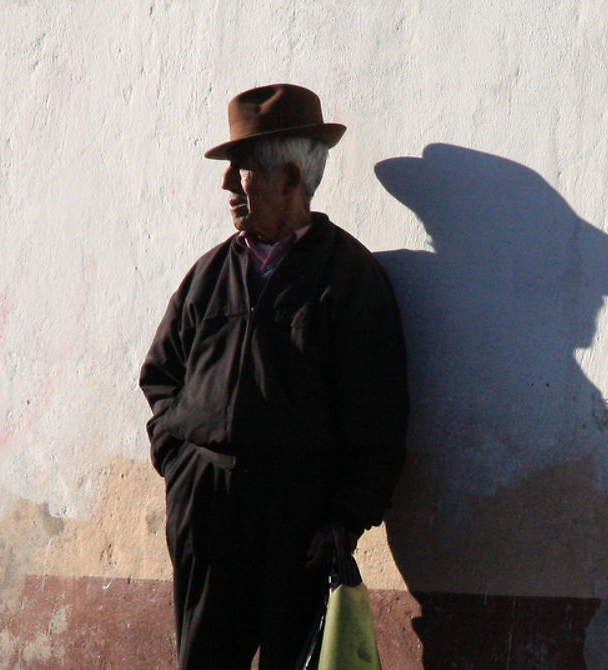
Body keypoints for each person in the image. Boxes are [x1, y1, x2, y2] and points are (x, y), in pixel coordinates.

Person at [139, 84, 409, 670]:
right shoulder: (211, 273)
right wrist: (181, 464)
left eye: (242, 171)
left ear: (289, 176)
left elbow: (379, 415)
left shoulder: (349, 278)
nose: (228, 186)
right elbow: (161, 375)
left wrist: (344, 517)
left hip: (300, 518)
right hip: (207, 510)